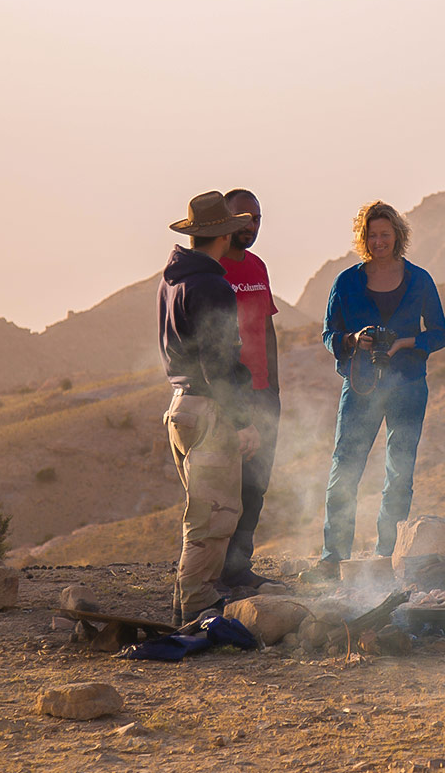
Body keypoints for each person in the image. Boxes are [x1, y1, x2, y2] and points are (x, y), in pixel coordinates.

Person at [305, 200, 445, 582]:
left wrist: (404, 342)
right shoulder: (347, 282)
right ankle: (334, 558)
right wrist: (353, 339)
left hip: (408, 387)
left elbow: (440, 333)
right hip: (362, 386)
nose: (379, 240)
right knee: (345, 469)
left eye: (385, 234)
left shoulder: (419, 279)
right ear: (363, 238)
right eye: (372, 234)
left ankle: (387, 557)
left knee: (399, 474)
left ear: (397, 236)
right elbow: (327, 334)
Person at [157, 191, 261, 624]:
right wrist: (242, 420)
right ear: (222, 234)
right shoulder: (212, 285)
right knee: (216, 516)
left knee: (201, 512)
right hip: (209, 411)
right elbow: (219, 362)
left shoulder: (172, 280)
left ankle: (190, 603)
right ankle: (198, 605)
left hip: (179, 406)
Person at [216, 188, 284, 593]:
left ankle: (239, 569)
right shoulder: (213, 270)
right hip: (229, 396)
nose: (251, 226)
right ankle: (214, 572)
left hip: (263, 395)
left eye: (256, 219)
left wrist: (274, 387)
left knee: (256, 487)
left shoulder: (257, 267)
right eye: (243, 218)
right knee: (225, 487)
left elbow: (268, 327)